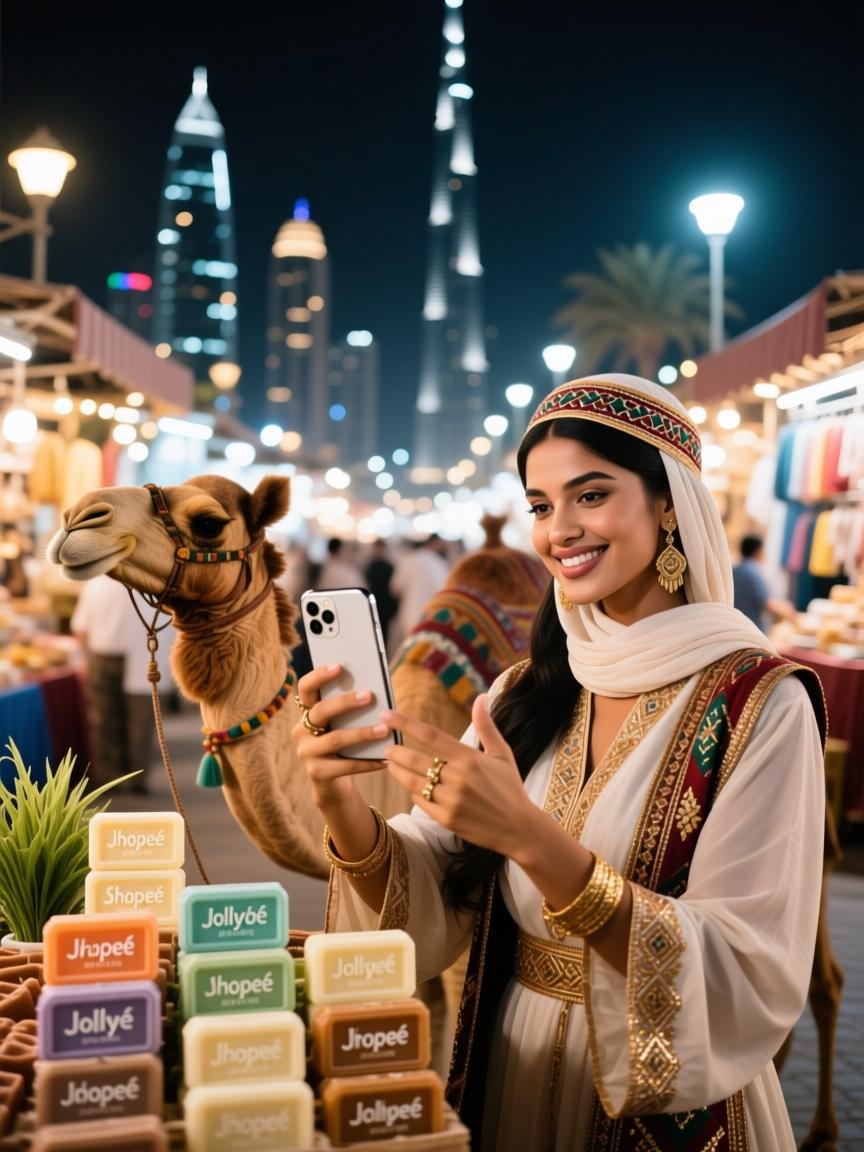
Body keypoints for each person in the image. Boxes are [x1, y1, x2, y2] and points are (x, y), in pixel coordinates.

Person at [292, 374, 826, 1152]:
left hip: (663, 1101)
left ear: (669, 502)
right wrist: (339, 801)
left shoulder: (761, 703)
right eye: (541, 507)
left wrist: (527, 835)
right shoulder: (528, 688)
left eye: (591, 495)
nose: (560, 531)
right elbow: (434, 888)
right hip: (510, 1067)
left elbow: (749, 963)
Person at [72, 573, 176, 792]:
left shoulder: (97, 584)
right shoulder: (155, 584)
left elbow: (80, 629)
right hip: (129, 656)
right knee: (135, 723)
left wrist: (83, 657)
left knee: (110, 721)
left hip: (121, 656)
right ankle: (132, 779)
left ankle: (114, 778)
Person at [388, 533, 451, 653]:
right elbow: (445, 592)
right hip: (432, 617)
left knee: (408, 653)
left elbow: (395, 590)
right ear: (434, 543)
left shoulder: (409, 560)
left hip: (409, 616)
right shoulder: (439, 563)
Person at [732, 534, 798, 632]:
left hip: (736, 625)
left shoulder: (735, 570)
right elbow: (767, 602)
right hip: (751, 628)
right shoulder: (752, 572)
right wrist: (791, 613)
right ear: (757, 551)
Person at [363, 538, 398, 649]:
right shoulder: (370, 566)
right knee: (375, 632)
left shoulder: (387, 566)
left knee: (382, 633)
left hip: (384, 605)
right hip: (375, 603)